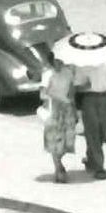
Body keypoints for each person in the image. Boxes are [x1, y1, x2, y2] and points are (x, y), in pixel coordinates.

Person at [38, 48, 79, 183]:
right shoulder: (48, 74)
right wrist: (54, 97)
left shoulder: (68, 73)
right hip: (54, 109)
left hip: (67, 109)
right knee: (55, 141)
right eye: (56, 61)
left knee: (67, 141)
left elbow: (72, 92)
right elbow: (42, 94)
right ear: (52, 61)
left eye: (61, 61)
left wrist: (74, 107)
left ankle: (59, 163)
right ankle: (59, 169)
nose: (59, 63)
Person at [71, 56, 106, 178]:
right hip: (89, 99)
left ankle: (91, 157)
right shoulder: (81, 66)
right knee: (93, 130)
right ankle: (99, 168)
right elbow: (75, 87)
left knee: (103, 131)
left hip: (103, 98)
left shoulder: (103, 63)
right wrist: (84, 86)